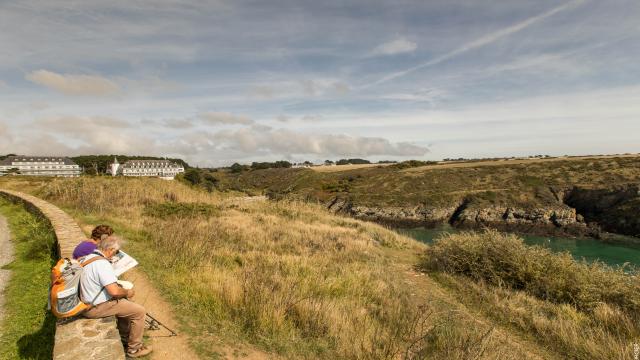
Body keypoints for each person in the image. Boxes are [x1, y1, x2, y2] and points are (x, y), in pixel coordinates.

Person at [80, 235, 152, 358]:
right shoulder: (102, 264)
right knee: (139, 311)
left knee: (125, 304)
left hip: (88, 302)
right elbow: (114, 292)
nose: (116, 255)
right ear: (111, 250)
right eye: (116, 252)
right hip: (95, 307)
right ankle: (135, 349)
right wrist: (127, 292)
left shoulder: (89, 257)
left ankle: (124, 338)